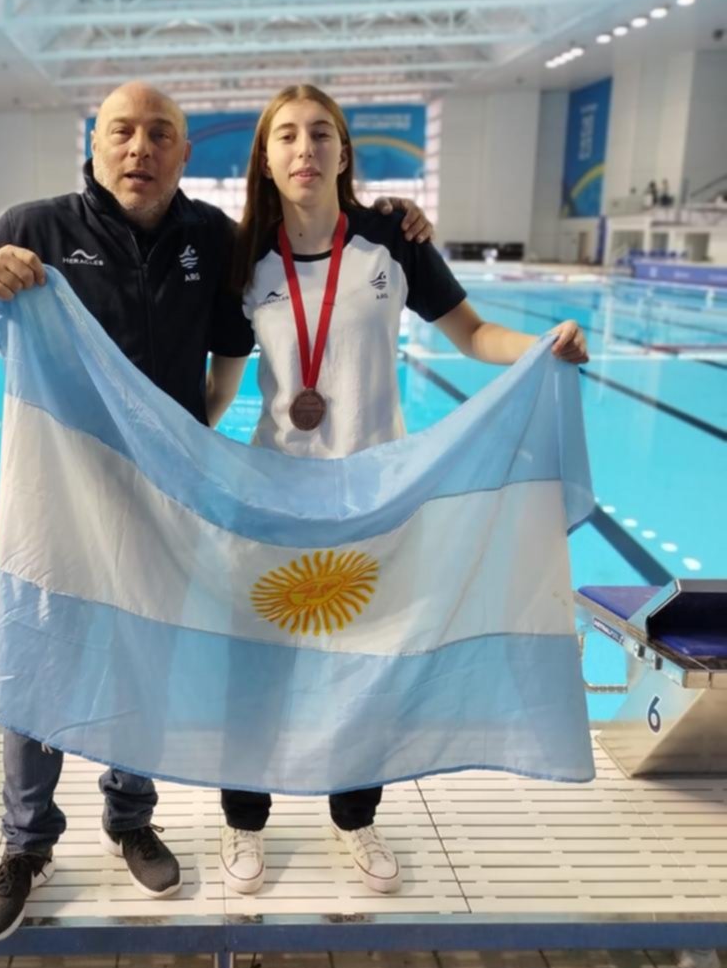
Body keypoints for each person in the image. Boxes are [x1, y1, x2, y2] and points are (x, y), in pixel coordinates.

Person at [0, 81, 436, 942]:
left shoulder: (212, 240)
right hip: (56, 491)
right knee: (41, 655)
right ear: (95, 142)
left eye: (161, 134)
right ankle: (24, 844)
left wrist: (394, 218)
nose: (140, 148)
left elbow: (244, 337)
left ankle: (129, 817)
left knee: (147, 648)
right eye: (123, 131)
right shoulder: (35, 227)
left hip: (160, 498)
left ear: (186, 154)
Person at [204, 85, 588, 898]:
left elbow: (476, 332)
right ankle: (244, 819)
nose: (304, 148)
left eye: (320, 134)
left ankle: (356, 818)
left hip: (379, 495)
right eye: (286, 137)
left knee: (367, 662)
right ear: (265, 160)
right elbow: (219, 390)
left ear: (343, 151)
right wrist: (146, 435)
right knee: (259, 665)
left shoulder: (391, 240)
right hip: (276, 493)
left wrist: (543, 345)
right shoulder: (247, 257)